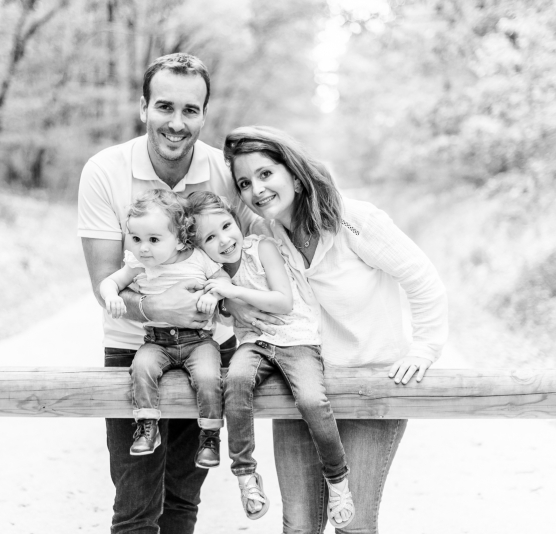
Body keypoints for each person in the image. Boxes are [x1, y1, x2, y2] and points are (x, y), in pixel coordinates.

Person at [221, 125, 449, 533]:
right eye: (244, 182)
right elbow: (236, 292)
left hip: (368, 390)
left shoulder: (353, 220)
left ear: (293, 171)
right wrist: (234, 299)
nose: (256, 189)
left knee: (353, 527)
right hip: (299, 391)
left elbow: (421, 277)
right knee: (300, 526)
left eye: (265, 173)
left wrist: (424, 348)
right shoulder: (264, 236)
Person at [77, 53, 262, 534]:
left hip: (211, 346)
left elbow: (244, 261)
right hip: (133, 347)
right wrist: (168, 308)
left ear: (204, 113)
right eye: (164, 107)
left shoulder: (225, 175)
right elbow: (105, 281)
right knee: (137, 504)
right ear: (143, 107)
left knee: (182, 499)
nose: (177, 123)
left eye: (190, 110)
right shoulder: (105, 170)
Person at [185, 191, 354, 527]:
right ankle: (246, 476)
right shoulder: (212, 273)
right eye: (210, 237)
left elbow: (283, 301)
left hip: (296, 339)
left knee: (311, 399)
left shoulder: (260, 247)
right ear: (198, 246)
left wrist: (232, 293)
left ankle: (337, 480)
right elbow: (220, 319)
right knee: (234, 382)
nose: (224, 239)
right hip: (255, 343)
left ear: (236, 220)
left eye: (226, 226)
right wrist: (214, 301)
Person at [99, 189, 227, 466]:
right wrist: (111, 296)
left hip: (199, 341)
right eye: (135, 239)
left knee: (208, 376)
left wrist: (211, 295)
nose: (143, 247)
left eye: (153, 240)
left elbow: (224, 279)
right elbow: (110, 282)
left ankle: (210, 435)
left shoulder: (198, 258)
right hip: (157, 341)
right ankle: (147, 427)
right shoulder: (138, 264)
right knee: (142, 367)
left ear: (180, 241)